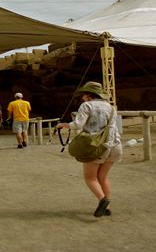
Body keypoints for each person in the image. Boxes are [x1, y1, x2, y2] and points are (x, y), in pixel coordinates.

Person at [55, 82, 122, 218]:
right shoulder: (110, 107)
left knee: (90, 177)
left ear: (89, 95)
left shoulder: (87, 106)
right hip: (115, 145)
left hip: (96, 146)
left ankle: (103, 200)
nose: (82, 98)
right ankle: (107, 207)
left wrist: (64, 125)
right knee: (103, 177)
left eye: (83, 95)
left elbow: (78, 124)